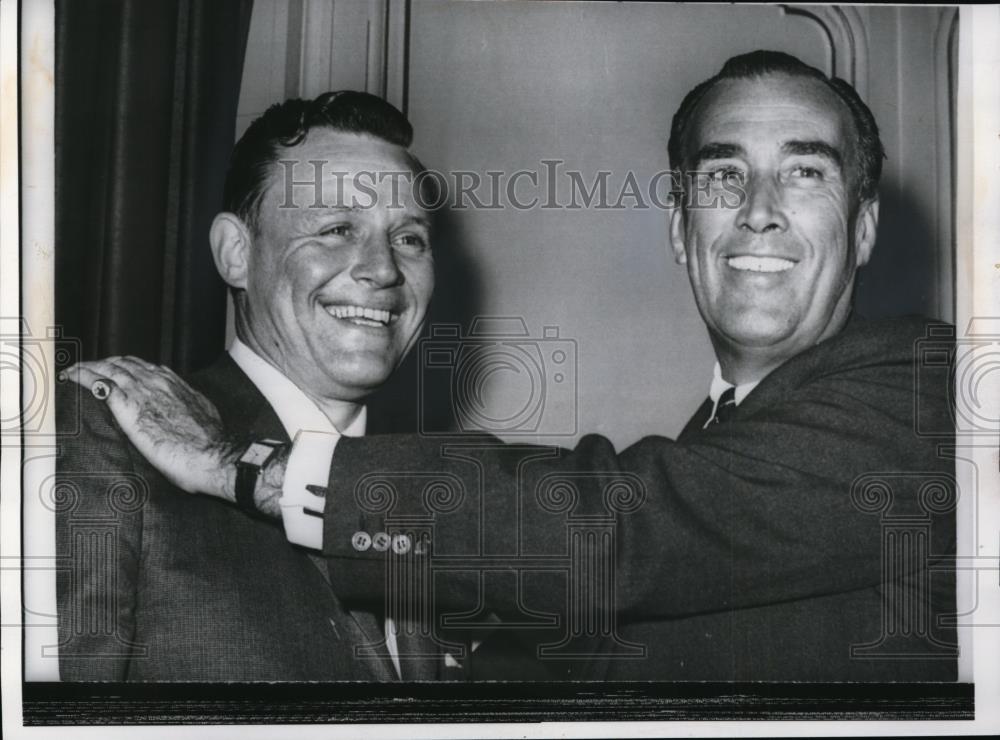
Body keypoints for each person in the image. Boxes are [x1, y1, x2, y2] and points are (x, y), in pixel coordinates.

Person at [66, 51, 957, 681]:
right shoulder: (107, 439)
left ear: (867, 226)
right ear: (682, 233)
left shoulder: (929, 391)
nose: (381, 269)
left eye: (805, 174)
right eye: (724, 178)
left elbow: (621, 528)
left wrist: (240, 468)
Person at [55, 90, 500, 681]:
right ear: (236, 254)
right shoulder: (106, 434)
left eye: (408, 238)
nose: (384, 269)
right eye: (338, 228)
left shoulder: (437, 490)